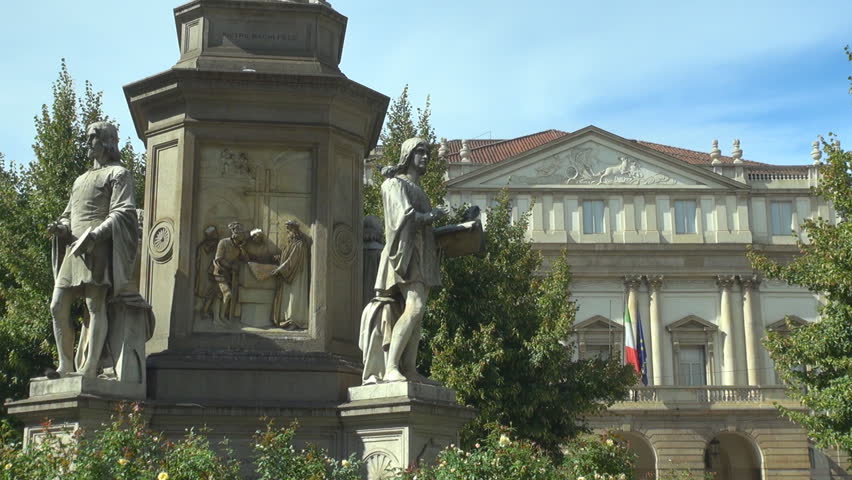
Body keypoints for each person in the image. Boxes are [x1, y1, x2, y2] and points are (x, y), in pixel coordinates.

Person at [48, 121, 138, 378]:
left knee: (94, 305)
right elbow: (68, 214)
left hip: (97, 247)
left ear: (107, 141)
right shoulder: (80, 179)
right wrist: (61, 228)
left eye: (92, 137)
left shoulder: (119, 173)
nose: (87, 142)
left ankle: (89, 367)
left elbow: (123, 211)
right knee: (57, 305)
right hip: (74, 248)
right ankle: (65, 365)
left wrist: (96, 235)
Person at [373, 137, 448, 382]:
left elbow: (422, 225)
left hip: (422, 254)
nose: (425, 157)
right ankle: (391, 367)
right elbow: (403, 217)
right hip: (405, 254)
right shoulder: (394, 184)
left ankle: (409, 369)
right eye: (420, 152)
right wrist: (432, 215)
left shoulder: (419, 190)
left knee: (418, 312)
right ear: (407, 155)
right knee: (414, 307)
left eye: (427, 153)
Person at [272, 220, 310, 329]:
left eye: (289, 231)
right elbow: (287, 257)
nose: (287, 233)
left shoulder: (299, 244)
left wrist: (280, 269)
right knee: (289, 298)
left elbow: (291, 260)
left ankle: (294, 321)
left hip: (296, 275)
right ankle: (288, 320)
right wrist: (279, 258)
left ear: (294, 231)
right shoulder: (292, 243)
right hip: (290, 274)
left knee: (295, 296)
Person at [213, 222, 249, 326]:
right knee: (227, 294)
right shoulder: (223, 242)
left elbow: (246, 259)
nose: (241, 236)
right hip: (219, 272)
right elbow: (219, 259)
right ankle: (217, 318)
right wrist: (230, 266)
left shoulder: (238, 247)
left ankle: (221, 317)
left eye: (242, 234)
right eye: (240, 233)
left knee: (221, 295)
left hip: (229, 275)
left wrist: (242, 248)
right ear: (234, 234)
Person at [194, 225, 220, 319]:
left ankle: (203, 310)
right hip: (210, 273)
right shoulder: (216, 246)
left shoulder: (201, 247)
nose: (216, 234)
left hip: (203, 273)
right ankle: (204, 311)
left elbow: (197, 262)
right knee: (211, 292)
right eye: (215, 233)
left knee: (205, 292)